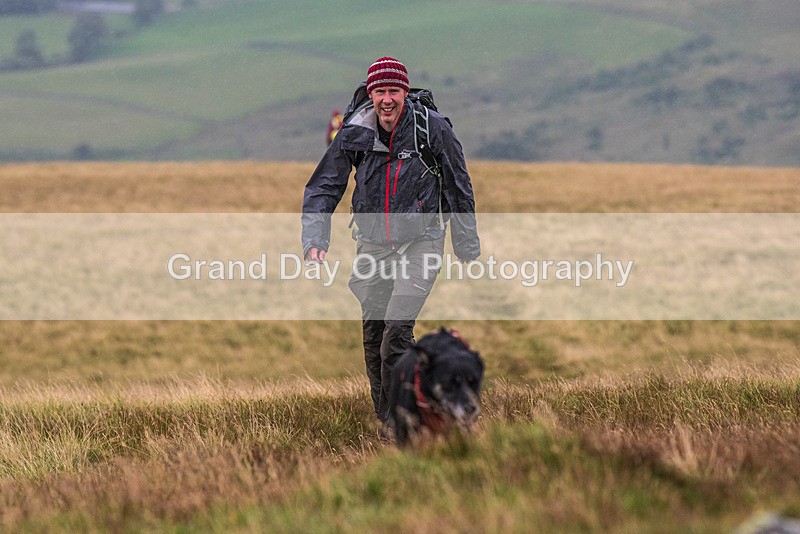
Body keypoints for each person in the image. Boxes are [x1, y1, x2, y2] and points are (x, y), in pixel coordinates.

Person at [302, 56, 480, 428]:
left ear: (405, 92)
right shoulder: (355, 129)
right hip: (373, 245)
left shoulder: (430, 128)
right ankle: (388, 421)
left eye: (394, 91)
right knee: (374, 337)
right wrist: (315, 237)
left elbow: (457, 182)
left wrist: (465, 243)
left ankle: (406, 418)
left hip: (422, 240)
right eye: (380, 91)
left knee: (396, 334)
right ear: (371, 93)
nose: (387, 99)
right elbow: (325, 184)